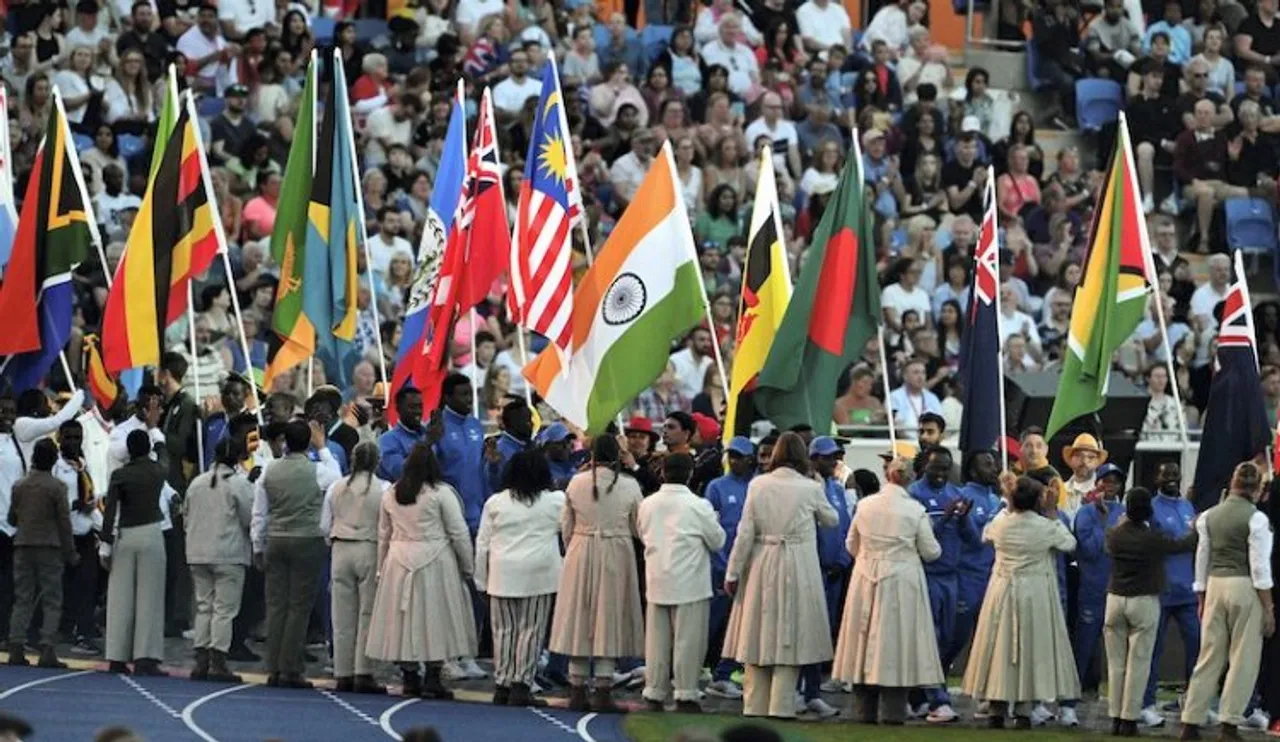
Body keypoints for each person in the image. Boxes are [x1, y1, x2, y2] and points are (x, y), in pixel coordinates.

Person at [722, 432, 837, 719]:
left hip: (763, 560)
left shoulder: (758, 485)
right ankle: (781, 707)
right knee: (791, 633)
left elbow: (745, 533)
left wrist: (733, 572)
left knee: (757, 631)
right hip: (798, 564)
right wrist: (819, 486)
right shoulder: (810, 488)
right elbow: (832, 519)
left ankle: (754, 705)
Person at [962, 474, 1080, 728]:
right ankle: (1024, 710)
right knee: (1030, 647)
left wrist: (1008, 503)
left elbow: (986, 535)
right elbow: (1069, 543)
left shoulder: (1001, 523)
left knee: (1000, 647)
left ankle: (997, 707)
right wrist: (1051, 513)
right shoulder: (1046, 526)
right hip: (1035, 591)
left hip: (1002, 590)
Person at [833, 454, 942, 724]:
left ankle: (864, 711)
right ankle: (894, 712)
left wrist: (870, 555)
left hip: (866, 575)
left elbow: (851, 545)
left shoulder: (865, 506)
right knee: (897, 643)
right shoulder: (915, 511)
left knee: (862, 639)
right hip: (902, 579)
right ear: (908, 479)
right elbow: (931, 552)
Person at [367, 444, 477, 700]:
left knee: (403, 620)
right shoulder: (441, 493)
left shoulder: (391, 494)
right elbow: (458, 532)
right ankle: (433, 675)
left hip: (398, 559)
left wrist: (381, 567)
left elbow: (383, 534)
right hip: (435, 559)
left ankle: (409, 675)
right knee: (435, 618)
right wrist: (468, 566)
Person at [1179, 462, 1276, 741]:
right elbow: (1260, 569)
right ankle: (1229, 723)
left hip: (1214, 586)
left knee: (1208, 656)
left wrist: (1201, 596)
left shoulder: (1208, 516)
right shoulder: (1256, 520)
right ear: (1257, 489)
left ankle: (1190, 721)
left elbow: (1201, 557)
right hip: (1245, 587)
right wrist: (1268, 607)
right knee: (1243, 658)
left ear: (1232, 484)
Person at [550, 435, 644, 713]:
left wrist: (574, 548)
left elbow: (565, 525)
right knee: (609, 617)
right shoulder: (629, 484)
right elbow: (639, 526)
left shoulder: (576, 482)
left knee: (579, 617)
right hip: (616, 550)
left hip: (581, 548)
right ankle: (603, 689)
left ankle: (577, 688)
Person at [475, 450, 566, 707]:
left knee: (503, 631)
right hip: (540, 574)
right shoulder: (555, 501)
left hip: (502, 573)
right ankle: (521, 684)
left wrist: (481, 580)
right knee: (531, 631)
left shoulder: (495, 502)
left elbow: (483, 545)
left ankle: (502, 684)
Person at [1104, 487, 1197, 736]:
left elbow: (1109, 541)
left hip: (1115, 599)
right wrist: (1195, 527)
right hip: (1143, 600)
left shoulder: (1115, 536)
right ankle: (1129, 719)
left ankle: (1114, 717)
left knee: (1116, 664)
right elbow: (1182, 544)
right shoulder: (1152, 538)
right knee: (1139, 663)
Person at [638, 453, 725, 713]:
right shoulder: (699, 505)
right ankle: (685, 694)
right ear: (690, 473)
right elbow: (717, 540)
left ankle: (654, 692)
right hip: (690, 580)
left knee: (656, 641)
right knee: (688, 640)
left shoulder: (648, 503)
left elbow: (641, 533)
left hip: (657, 577)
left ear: (663, 472)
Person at [906, 446, 978, 723]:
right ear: (925, 465)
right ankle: (938, 699)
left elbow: (972, 539)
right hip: (926, 573)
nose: (941, 474)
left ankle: (919, 694)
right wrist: (945, 517)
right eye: (936, 468)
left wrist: (963, 518)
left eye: (946, 469)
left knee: (948, 637)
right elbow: (916, 538)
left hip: (952, 575)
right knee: (931, 636)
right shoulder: (914, 494)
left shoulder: (954, 493)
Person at [257, 420, 328, 689]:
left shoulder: (269, 471)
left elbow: (259, 512)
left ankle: (273, 666)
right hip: (306, 539)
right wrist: (323, 448)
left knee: (276, 606)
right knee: (298, 607)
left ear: (285, 441)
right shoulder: (317, 470)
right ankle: (292, 667)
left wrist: (257, 544)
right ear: (308, 441)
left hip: (276, 538)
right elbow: (336, 472)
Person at [101, 429, 173, 676]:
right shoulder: (157, 471)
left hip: (125, 535)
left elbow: (110, 511)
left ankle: (117, 657)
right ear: (148, 448)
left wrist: (105, 545)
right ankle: (146, 657)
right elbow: (166, 459)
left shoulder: (120, 475)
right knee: (149, 598)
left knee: (120, 599)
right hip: (151, 533)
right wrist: (158, 436)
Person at [321, 442, 389, 695]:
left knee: (341, 616)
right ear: (376, 462)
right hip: (369, 548)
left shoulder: (335, 487)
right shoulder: (383, 489)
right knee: (367, 614)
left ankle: (343, 672)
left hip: (340, 549)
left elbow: (323, 525)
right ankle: (364, 671)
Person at [183, 437, 253, 683]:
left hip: (197, 552)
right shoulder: (238, 484)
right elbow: (249, 519)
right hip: (228, 553)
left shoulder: (197, 483)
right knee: (224, 610)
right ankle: (218, 660)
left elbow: (186, 516)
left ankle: (201, 659)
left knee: (204, 606)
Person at [6, 439, 74, 669]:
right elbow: (64, 523)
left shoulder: (19, 486)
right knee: (52, 600)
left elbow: (11, 518)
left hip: (23, 545)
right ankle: (47, 648)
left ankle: (15, 645)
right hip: (49, 547)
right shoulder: (57, 488)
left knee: (23, 597)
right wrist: (70, 551)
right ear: (54, 459)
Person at [1142, 461, 1200, 727]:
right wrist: (1185, 542)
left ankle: (1192, 701)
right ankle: (1146, 703)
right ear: (1158, 478)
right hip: (1161, 590)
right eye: (1166, 475)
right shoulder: (1151, 508)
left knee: (1197, 647)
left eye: (1175, 475)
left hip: (1188, 591)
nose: (1172, 479)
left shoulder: (1188, 506)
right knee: (1153, 650)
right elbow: (1156, 545)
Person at [800, 436, 852, 718]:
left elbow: (844, 527)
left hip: (834, 571)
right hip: (813, 570)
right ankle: (801, 691)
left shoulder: (836, 488)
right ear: (814, 458)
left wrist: (842, 560)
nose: (834, 462)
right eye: (828, 457)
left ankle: (813, 692)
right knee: (805, 632)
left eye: (836, 457)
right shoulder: (809, 489)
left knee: (822, 633)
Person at [703, 435, 755, 700]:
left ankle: (725, 673)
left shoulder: (757, 486)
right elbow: (710, 526)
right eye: (730, 455)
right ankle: (700, 671)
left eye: (739, 456)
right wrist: (723, 564)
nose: (733, 460)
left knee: (738, 625)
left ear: (750, 459)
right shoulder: (717, 486)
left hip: (750, 567)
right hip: (721, 566)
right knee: (713, 622)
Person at [950, 451, 1004, 693]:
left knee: (990, 637)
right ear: (973, 471)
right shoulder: (965, 497)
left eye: (995, 464)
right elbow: (975, 540)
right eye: (988, 465)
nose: (994, 469)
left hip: (991, 576)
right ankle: (930, 687)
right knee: (957, 636)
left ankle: (984, 691)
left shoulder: (996, 499)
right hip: (968, 576)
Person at [1073, 462, 1127, 703]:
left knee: (1118, 644)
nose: (1111, 485)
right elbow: (1089, 549)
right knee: (1085, 642)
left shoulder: (1125, 512)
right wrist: (1105, 524)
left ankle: (1118, 695)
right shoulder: (1085, 513)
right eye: (1106, 480)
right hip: (1093, 585)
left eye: (1115, 481)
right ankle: (1072, 694)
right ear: (1097, 483)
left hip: (1118, 586)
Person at [52, 419, 102, 654]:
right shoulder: (55, 465)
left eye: (77, 437)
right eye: (69, 437)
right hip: (63, 535)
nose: (73, 442)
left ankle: (83, 632)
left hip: (85, 531)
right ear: (60, 438)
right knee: (63, 587)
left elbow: (91, 494)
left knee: (87, 585)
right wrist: (73, 504)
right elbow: (52, 498)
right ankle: (62, 629)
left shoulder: (83, 465)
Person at [378, 386, 426, 481]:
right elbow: (400, 473)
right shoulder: (388, 440)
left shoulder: (430, 433)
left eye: (420, 406)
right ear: (398, 409)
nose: (417, 411)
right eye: (412, 407)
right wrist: (427, 443)